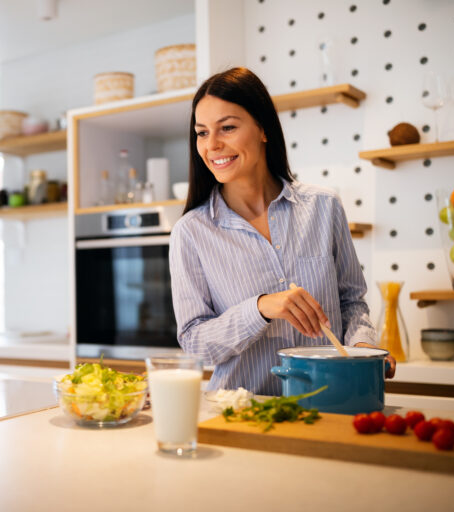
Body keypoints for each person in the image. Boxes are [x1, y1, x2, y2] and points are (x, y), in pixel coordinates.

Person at [169, 67, 395, 395]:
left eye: (227, 127)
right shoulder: (191, 232)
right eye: (202, 133)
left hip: (330, 404)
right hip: (244, 414)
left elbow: (351, 303)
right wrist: (260, 308)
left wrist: (363, 349)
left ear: (263, 128)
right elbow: (194, 344)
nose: (212, 145)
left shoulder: (324, 207)